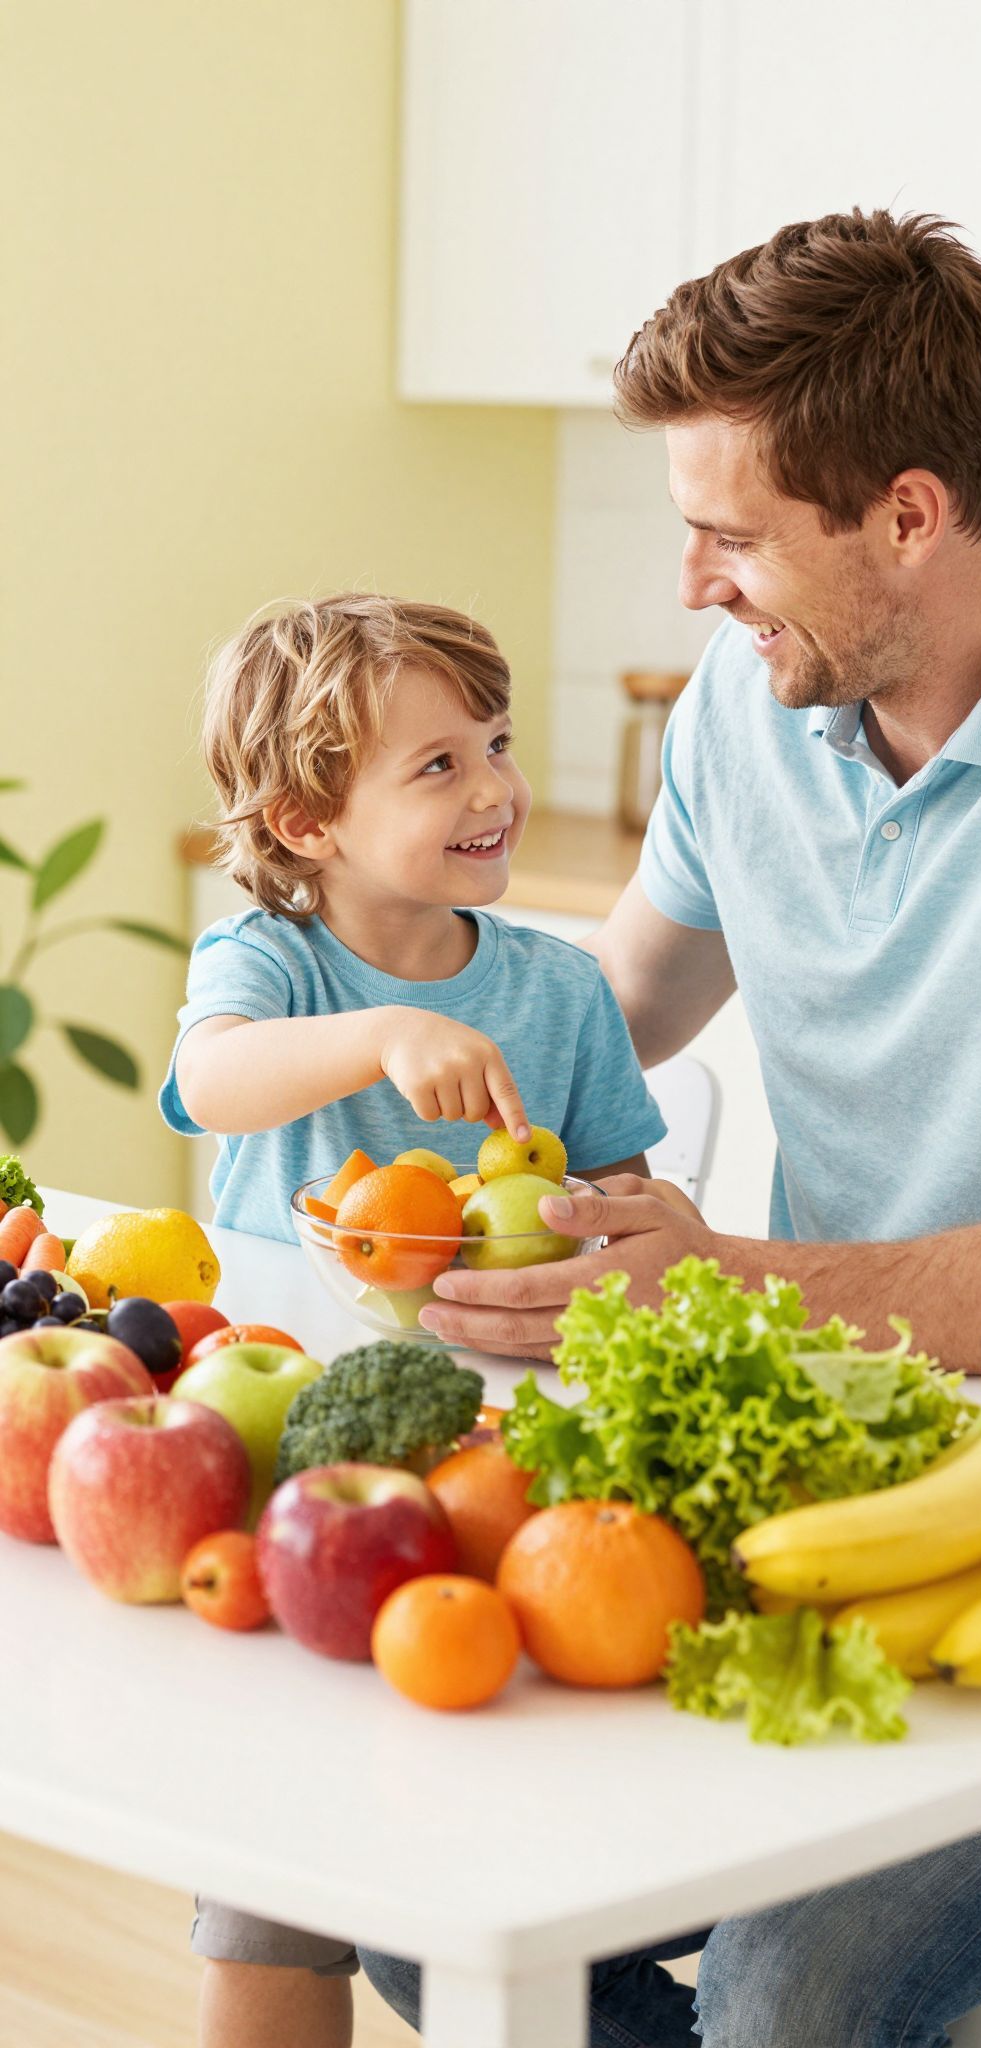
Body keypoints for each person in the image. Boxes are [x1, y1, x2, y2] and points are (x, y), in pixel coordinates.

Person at [360, 213, 981, 2043]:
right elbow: (606, 1025)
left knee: (790, 1999)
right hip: (843, 1470)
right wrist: (385, 1070)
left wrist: (727, 1284)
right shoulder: (756, 699)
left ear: (907, 514)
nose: (697, 585)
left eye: (732, 537)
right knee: (415, 1883)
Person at [159, 591, 666, 2048]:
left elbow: (627, 1202)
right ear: (310, 818)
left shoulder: (559, 992)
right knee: (273, 1881)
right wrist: (382, 1036)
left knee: (479, 1824)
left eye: (495, 744)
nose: (496, 787)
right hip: (298, 1464)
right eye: (436, 764)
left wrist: (608, 1226)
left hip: (508, 1461)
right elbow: (215, 1082)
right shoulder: (269, 964)